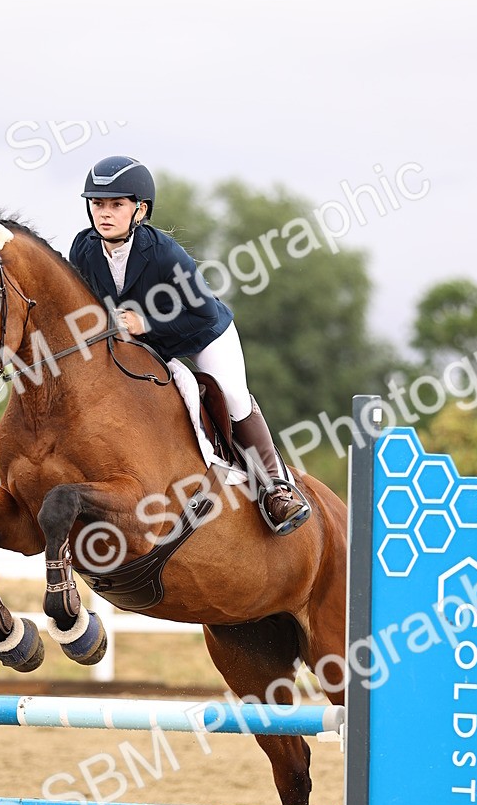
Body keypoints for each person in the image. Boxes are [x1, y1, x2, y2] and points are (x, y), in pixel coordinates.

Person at [69, 155, 311, 534]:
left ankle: (276, 487)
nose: (104, 213)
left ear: (140, 209)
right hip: (139, 344)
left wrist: (144, 322)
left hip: (199, 333)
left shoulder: (164, 253)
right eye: (98, 203)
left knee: (231, 394)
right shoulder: (83, 249)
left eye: (116, 204)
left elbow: (201, 315)